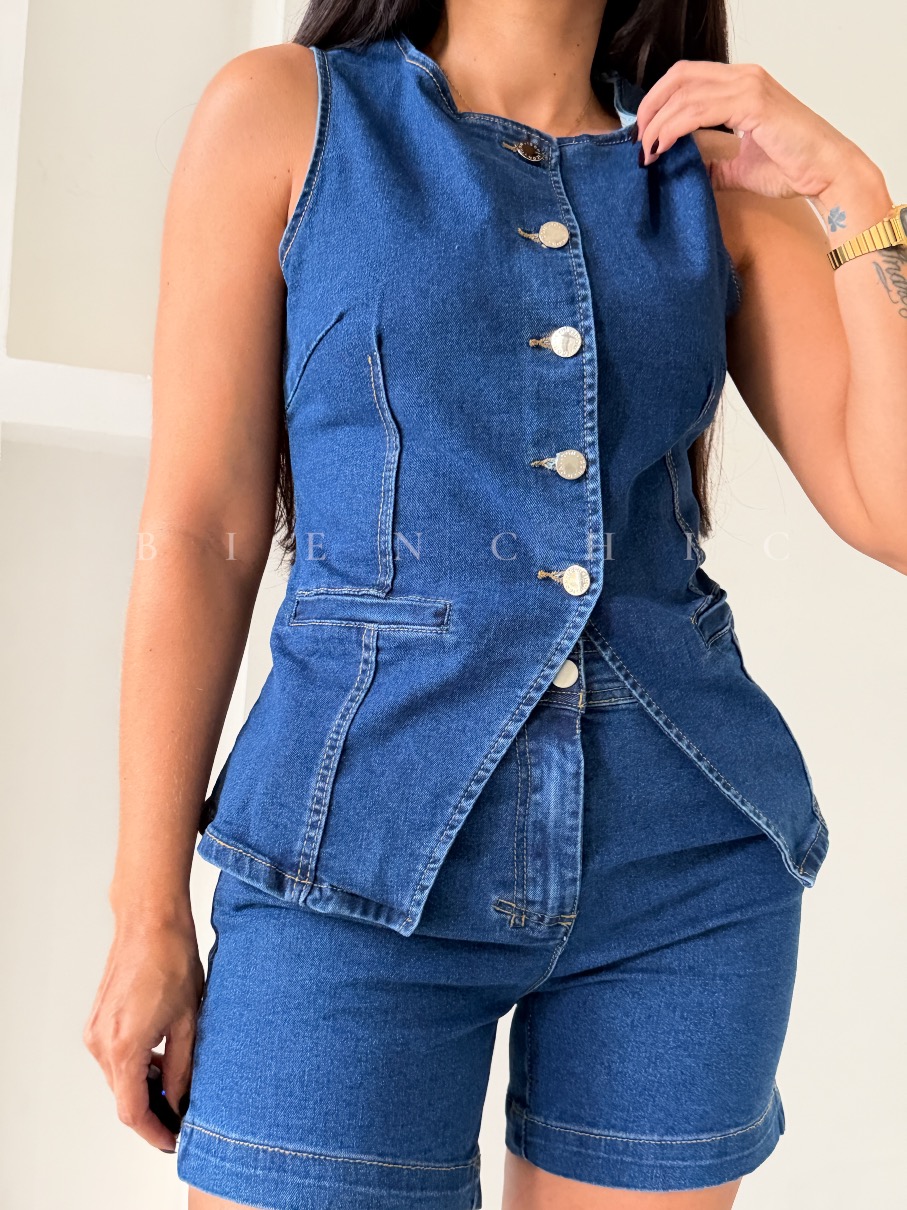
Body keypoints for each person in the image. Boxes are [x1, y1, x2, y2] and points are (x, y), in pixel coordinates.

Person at [82, 0, 907, 1206]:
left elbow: (894, 509)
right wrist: (146, 906)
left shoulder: (718, 180)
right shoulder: (283, 114)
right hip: (346, 860)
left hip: (682, 878)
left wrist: (853, 194)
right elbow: (201, 533)